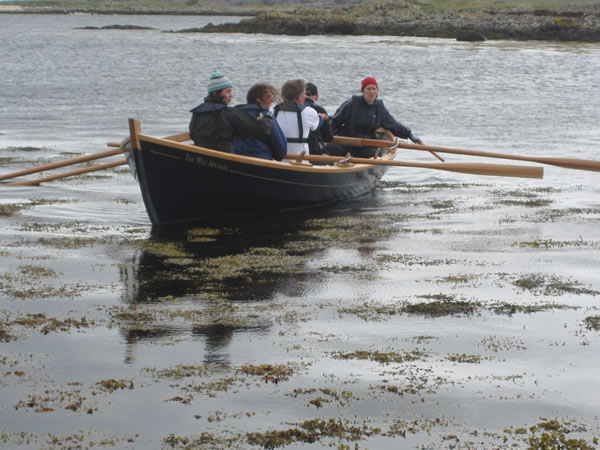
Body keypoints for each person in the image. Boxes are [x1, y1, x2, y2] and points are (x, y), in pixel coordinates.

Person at [325, 76, 423, 158]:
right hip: (346, 143)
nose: (371, 92)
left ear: (377, 91)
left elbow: (393, 124)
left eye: (374, 89)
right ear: (363, 91)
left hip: (366, 146)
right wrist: (322, 132)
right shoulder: (351, 104)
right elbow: (335, 121)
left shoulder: (379, 108)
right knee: (329, 148)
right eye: (368, 89)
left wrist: (409, 134)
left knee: (374, 154)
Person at [189, 70, 272, 153]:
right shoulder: (230, 114)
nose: (231, 95)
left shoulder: (197, 113)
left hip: (200, 155)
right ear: (215, 93)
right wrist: (267, 118)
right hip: (223, 159)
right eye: (228, 91)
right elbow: (261, 130)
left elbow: (192, 135)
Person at [231, 83, 287, 161]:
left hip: (234, 157)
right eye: (268, 96)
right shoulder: (266, 116)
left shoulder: (234, 113)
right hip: (260, 159)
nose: (272, 100)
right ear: (258, 99)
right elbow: (280, 149)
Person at [274, 79, 327, 155]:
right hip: (300, 160)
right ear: (298, 97)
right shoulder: (309, 112)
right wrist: (321, 117)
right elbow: (316, 126)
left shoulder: (273, 110)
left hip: (277, 159)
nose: (306, 96)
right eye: (304, 94)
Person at [304, 82, 333, 155]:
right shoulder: (320, 110)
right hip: (312, 152)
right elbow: (328, 138)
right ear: (316, 97)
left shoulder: (285, 108)